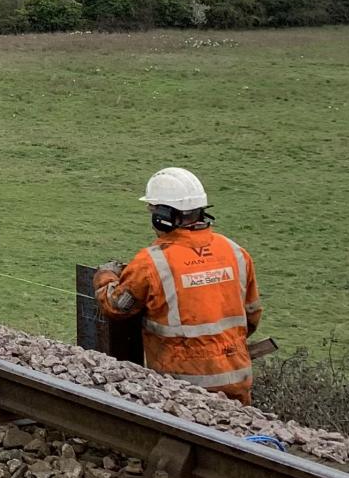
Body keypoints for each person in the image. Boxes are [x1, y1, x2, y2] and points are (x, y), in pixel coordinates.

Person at [94, 167, 262, 403]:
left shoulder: (151, 262)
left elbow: (116, 307)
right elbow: (252, 317)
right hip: (237, 381)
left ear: (163, 217)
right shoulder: (235, 252)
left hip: (179, 387)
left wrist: (106, 276)